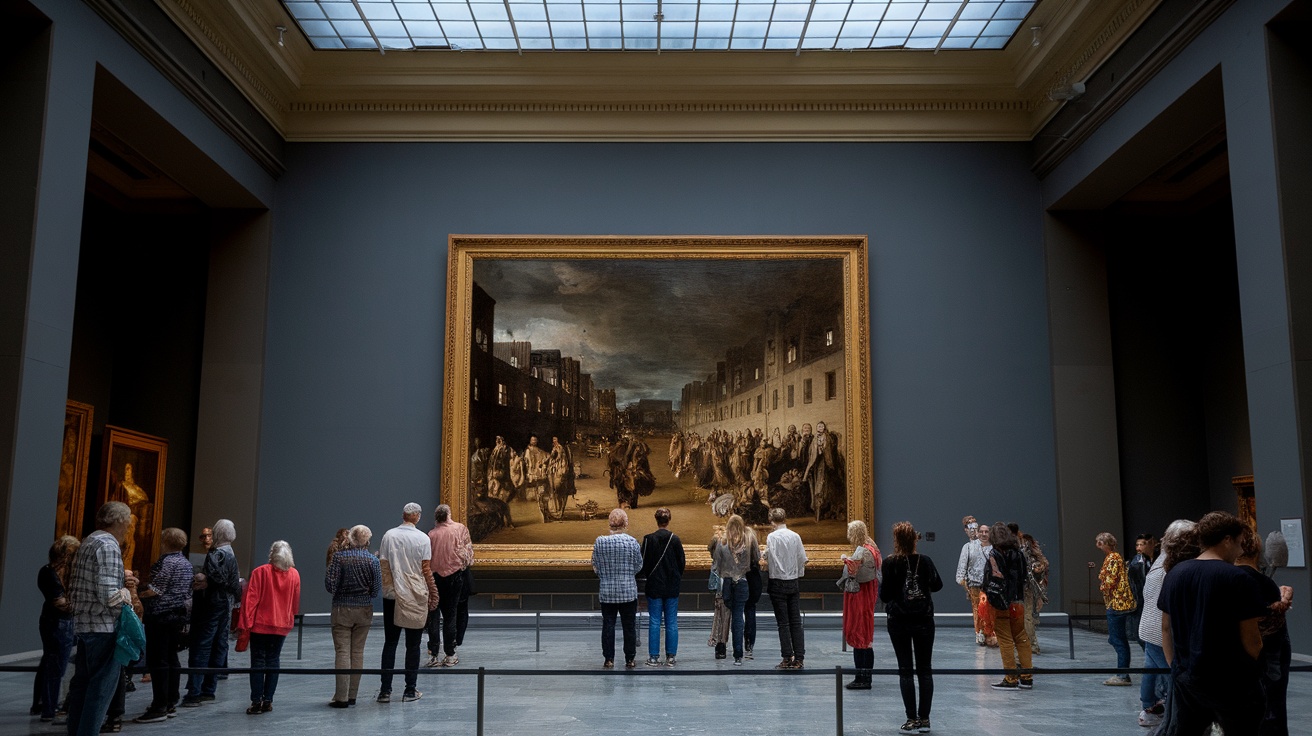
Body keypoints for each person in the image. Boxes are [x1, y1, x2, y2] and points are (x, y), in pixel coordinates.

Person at [1159, 511, 1268, 735]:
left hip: (1188, 677)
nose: (1240, 551)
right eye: (1238, 543)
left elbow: (1166, 627)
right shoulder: (1238, 578)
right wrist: (1253, 669)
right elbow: (1252, 638)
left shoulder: (1175, 573)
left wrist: (1177, 668)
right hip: (1231, 679)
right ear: (1226, 540)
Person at [65, 501, 135, 736]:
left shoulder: (90, 540)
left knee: (83, 688)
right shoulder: (107, 545)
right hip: (102, 627)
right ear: (119, 521)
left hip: (85, 625)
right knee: (100, 691)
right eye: (128, 522)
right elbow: (109, 595)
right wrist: (126, 594)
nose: (128, 527)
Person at [1138, 519, 1200, 731]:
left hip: (1150, 627)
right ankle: (1165, 715)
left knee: (1152, 669)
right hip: (1159, 630)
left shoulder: (1162, 561)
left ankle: (1148, 708)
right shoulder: (1171, 564)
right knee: (1171, 676)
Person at [881, 521, 943, 733]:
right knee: (925, 670)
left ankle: (911, 719)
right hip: (924, 620)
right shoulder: (925, 561)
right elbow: (937, 585)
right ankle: (925, 719)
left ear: (896, 540)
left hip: (899, 621)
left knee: (905, 670)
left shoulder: (890, 563)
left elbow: (884, 594)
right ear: (915, 539)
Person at [377, 503, 439, 704]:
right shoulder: (422, 538)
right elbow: (426, 569)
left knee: (390, 643)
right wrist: (432, 593)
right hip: (414, 594)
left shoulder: (389, 535)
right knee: (413, 645)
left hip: (393, 595)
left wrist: (389, 590)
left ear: (403, 515)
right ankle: (410, 690)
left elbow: (384, 567)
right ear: (417, 517)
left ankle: (385, 691)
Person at [1236, 528, 1294, 736]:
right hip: (1266, 654)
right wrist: (1282, 602)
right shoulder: (1256, 580)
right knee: (1272, 706)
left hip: (1246, 657)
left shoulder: (1234, 577)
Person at [132, 528, 193, 723]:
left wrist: (136, 591)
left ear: (166, 542)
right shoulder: (186, 563)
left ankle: (160, 705)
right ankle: (170, 701)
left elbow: (155, 590)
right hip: (177, 616)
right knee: (171, 658)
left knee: (158, 661)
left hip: (160, 617)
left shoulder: (167, 562)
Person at [182, 519, 241, 707]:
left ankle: (195, 692)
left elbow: (219, 578)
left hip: (212, 605)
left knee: (203, 646)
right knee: (218, 643)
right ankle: (208, 689)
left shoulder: (218, 554)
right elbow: (232, 584)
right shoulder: (229, 552)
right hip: (224, 604)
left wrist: (206, 580)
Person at [238, 541, 299, 715]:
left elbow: (251, 601)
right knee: (273, 660)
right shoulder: (295, 574)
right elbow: (295, 604)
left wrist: (245, 624)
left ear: (272, 554)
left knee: (257, 661)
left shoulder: (260, 572)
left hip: (260, 625)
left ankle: (256, 701)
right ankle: (268, 701)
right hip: (281, 625)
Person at [326, 524, 380, 708]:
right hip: (364, 609)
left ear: (350, 538)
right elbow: (375, 590)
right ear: (367, 540)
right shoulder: (373, 561)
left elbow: (330, 585)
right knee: (357, 652)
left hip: (342, 608)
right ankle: (352, 696)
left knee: (342, 652)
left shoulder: (339, 558)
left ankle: (341, 697)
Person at [33, 536, 79, 722]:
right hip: (57, 622)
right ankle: (48, 708)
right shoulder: (49, 573)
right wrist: (80, 605)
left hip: (59, 621)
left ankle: (43, 704)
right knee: (55, 666)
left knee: (50, 663)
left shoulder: (56, 572)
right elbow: (60, 603)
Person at [591, 508, 642, 668]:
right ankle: (630, 659)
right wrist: (627, 574)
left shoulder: (600, 542)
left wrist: (605, 575)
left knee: (608, 624)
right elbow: (638, 565)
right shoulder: (632, 542)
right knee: (629, 626)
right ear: (625, 524)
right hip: (627, 591)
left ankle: (608, 659)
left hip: (607, 591)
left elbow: (595, 565)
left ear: (610, 523)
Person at [425, 504, 473, 668]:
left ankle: (433, 655)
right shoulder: (460, 529)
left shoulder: (431, 534)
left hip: (434, 577)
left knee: (433, 616)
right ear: (448, 515)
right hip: (454, 577)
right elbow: (468, 556)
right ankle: (450, 654)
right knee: (450, 616)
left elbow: (426, 559)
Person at [987, 522, 1033, 690]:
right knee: (1021, 637)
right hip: (1018, 601)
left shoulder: (994, 553)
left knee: (1005, 640)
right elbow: (1023, 577)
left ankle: (1011, 678)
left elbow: (993, 578)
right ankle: (1027, 677)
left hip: (1001, 603)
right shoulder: (1018, 553)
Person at [762, 506, 808, 669]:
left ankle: (787, 656)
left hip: (777, 581)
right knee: (796, 621)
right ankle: (800, 658)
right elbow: (802, 558)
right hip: (793, 581)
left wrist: (766, 558)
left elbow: (772, 558)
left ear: (772, 521)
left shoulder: (772, 537)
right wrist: (795, 573)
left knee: (783, 623)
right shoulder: (795, 536)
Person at [640, 508, 686, 666]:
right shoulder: (675, 539)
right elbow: (681, 564)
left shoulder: (648, 539)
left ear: (656, 520)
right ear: (669, 520)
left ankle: (653, 657)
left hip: (654, 586)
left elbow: (643, 563)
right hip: (671, 586)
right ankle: (671, 657)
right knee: (671, 622)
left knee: (654, 621)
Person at [709, 515, 757, 665]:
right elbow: (756, 558)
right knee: (738, 617)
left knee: (724, 615)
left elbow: (716, 564)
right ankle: (738, 655)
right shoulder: (748, 541)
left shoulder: (722, 542)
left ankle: (722, 646)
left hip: (727, 583)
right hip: (742, 581)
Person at [840, 520, 882, 690]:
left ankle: (863, 678)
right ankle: (863, 677)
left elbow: (863, 576)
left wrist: (849, 566)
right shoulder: (872, 548)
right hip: (864, 597)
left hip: (861, 599)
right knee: (864, 638)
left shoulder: (865, 551)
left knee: (861, 637)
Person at [1096, 532, 1135, 685]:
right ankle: (1123, 673)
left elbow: (1110, 580)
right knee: (1117, 640)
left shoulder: (1113, 558)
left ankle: (1123, 675)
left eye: (1100, 542)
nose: (1098, 545)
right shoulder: (1114, 557)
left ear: (1105, 543)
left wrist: (1103, 587)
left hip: (1117, 603)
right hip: (1116, 602)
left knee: (1118, 640)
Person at [954, 516, 985, 645]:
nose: (972, 530)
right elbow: (962, 567)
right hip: (974, 584)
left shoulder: (986, 544)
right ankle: (980, 633)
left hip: (988, 583)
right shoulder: (967, 547)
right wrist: (963, 582)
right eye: (969, 528)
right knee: (977, 608)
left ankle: (990, 631)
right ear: (966, 530)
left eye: (974, 527)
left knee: (988, 607)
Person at [1018, 532, 1049, 654]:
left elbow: (1040, 577)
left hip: (1028, 591)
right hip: (1017, 591)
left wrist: (1037, 569)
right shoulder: (1014, 555)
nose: (1022, 544)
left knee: (1028, 618)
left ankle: (1032, 644)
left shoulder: (1035, 559)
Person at [1128, 533, 1155, 646]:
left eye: (1142, 544)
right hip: (1139, 602)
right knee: (1140, 636)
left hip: (1152, 601)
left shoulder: (1155, 560)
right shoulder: (1136, 561)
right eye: (1137, 545)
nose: (1139, 548)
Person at [974, 523, 997, 647]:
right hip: (978, 586)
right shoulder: (970, 548)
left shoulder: (995, 550)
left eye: (986, 532)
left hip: (993, 587)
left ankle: (993, 636)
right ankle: (981, 634)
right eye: (981, 532)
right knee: (981, 612)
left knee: (992, 611)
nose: (983, 534)